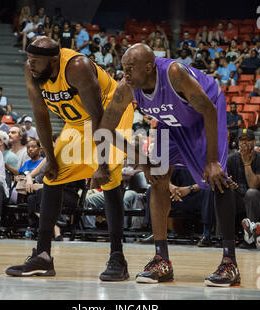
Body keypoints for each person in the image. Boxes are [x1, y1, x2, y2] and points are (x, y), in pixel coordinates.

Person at [92, 43, 240, 286]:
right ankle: (161, 260)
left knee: (217, 178)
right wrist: (142, 161)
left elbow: (209, 110)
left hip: (204, 116)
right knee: (158, 179)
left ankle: (229, 262)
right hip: (169, 124)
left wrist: (212, 161)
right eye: (123, 68)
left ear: (149, 67)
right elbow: (104, 129)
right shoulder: (127, 87)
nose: (125, 74)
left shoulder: (174, 73)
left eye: (131, 69)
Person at [5, 36, 134, 281]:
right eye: (29, 59)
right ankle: (42, 256)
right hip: (76, 122)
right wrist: (50, 158)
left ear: (54, 60)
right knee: (53, 176)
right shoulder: (32, 70)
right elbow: (40, 115)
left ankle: (118, 258)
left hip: (111, 112)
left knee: (110, 177)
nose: (31, 65)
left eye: (36, 61)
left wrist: (103, 164)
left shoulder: (77, 67)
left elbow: (99, 120)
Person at [228, 129, 260, 249]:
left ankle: (250, 238)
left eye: (247, 140)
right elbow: (226, 178)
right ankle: (225, 237)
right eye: (241, 140)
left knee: (251, 193)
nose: (244, 143)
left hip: (259, 199)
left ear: (253, 142)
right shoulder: (231, 159)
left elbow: (253, 185)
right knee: (224, 193)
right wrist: (229, 184)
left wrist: (247, 163)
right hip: (239, 196)